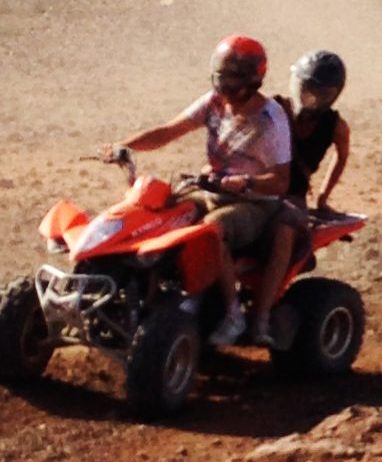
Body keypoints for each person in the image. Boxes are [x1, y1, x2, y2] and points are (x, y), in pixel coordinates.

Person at [103, 34, 299, 346]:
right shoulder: (214, 103)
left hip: (254, 203)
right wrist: (124, 145)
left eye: (234, 78)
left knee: (210, 231)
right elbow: (169, 131)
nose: (226, 86)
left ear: (253, 78)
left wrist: (245, 182)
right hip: (209, 190)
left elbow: (280, 180)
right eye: (223, 76)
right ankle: (145, 291)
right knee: (157, 211)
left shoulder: (270, 119)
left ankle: (233, 314)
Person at [275, 50, 350, 211]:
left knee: (286, 230)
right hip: (254, 189)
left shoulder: (335, 126)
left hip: (292, 199)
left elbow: (342, 156)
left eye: (321, 94)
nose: (311, 99)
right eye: (307, 89)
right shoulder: (272, 110)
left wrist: (323, 197)